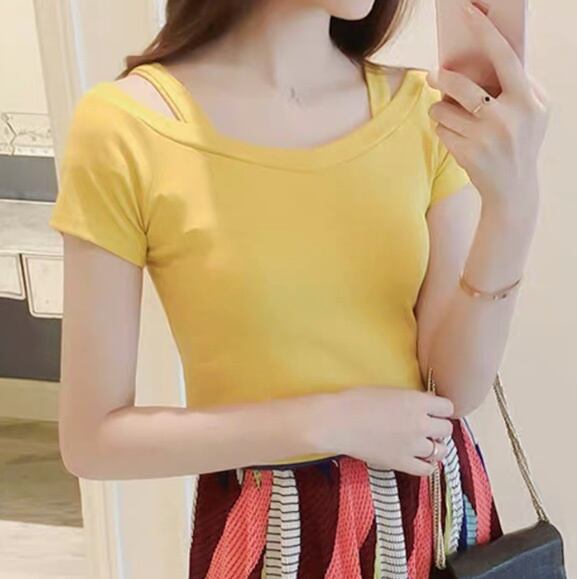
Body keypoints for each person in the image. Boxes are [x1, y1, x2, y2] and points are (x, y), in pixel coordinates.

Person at [49, 0, 550, 576]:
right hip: (273, 539)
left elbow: (453, 387)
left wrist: (513, 207)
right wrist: (329, 422)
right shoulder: (128, 126)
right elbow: (92, 440)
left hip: (431, 521)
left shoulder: (419, 110)